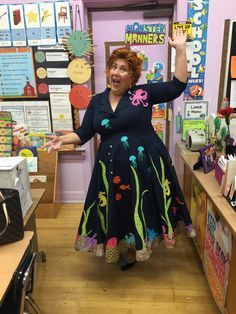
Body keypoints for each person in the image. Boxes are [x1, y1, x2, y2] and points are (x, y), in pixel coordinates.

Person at [43, 28, 196, 271]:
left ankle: (138, 247)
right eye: (113, 67)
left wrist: (180, 49)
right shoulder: (97, 101)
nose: (116, 72)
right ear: (108, 71)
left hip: (144, 167)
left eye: (123, 69)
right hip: (110, 169)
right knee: (118, 206)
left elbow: (178, 85)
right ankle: (120, 245)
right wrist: (64, 140)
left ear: (132, 76)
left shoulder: (143, 94)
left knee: (140, 206)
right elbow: (84, 133)